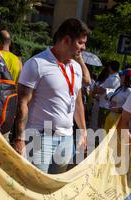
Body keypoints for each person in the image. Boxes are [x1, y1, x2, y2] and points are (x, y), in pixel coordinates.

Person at [12, 18, 89, 174]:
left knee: (55, 190)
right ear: (67, 40)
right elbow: (22, 102)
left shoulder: (76, 67)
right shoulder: (37, 63)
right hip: (40, 137)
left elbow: (78, 102)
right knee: (36, 187)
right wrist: (20, 138)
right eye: (80, 43)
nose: (84, 47)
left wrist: (83, 131)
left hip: (67, 138)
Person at [94, 60, 121, 129]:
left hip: (104, 106)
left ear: (110, 67)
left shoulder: (111, 79)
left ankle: (99, 139)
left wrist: (96, 87)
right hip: (111, 106)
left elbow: (99, 90)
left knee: (101, 126)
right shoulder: (118, 79)